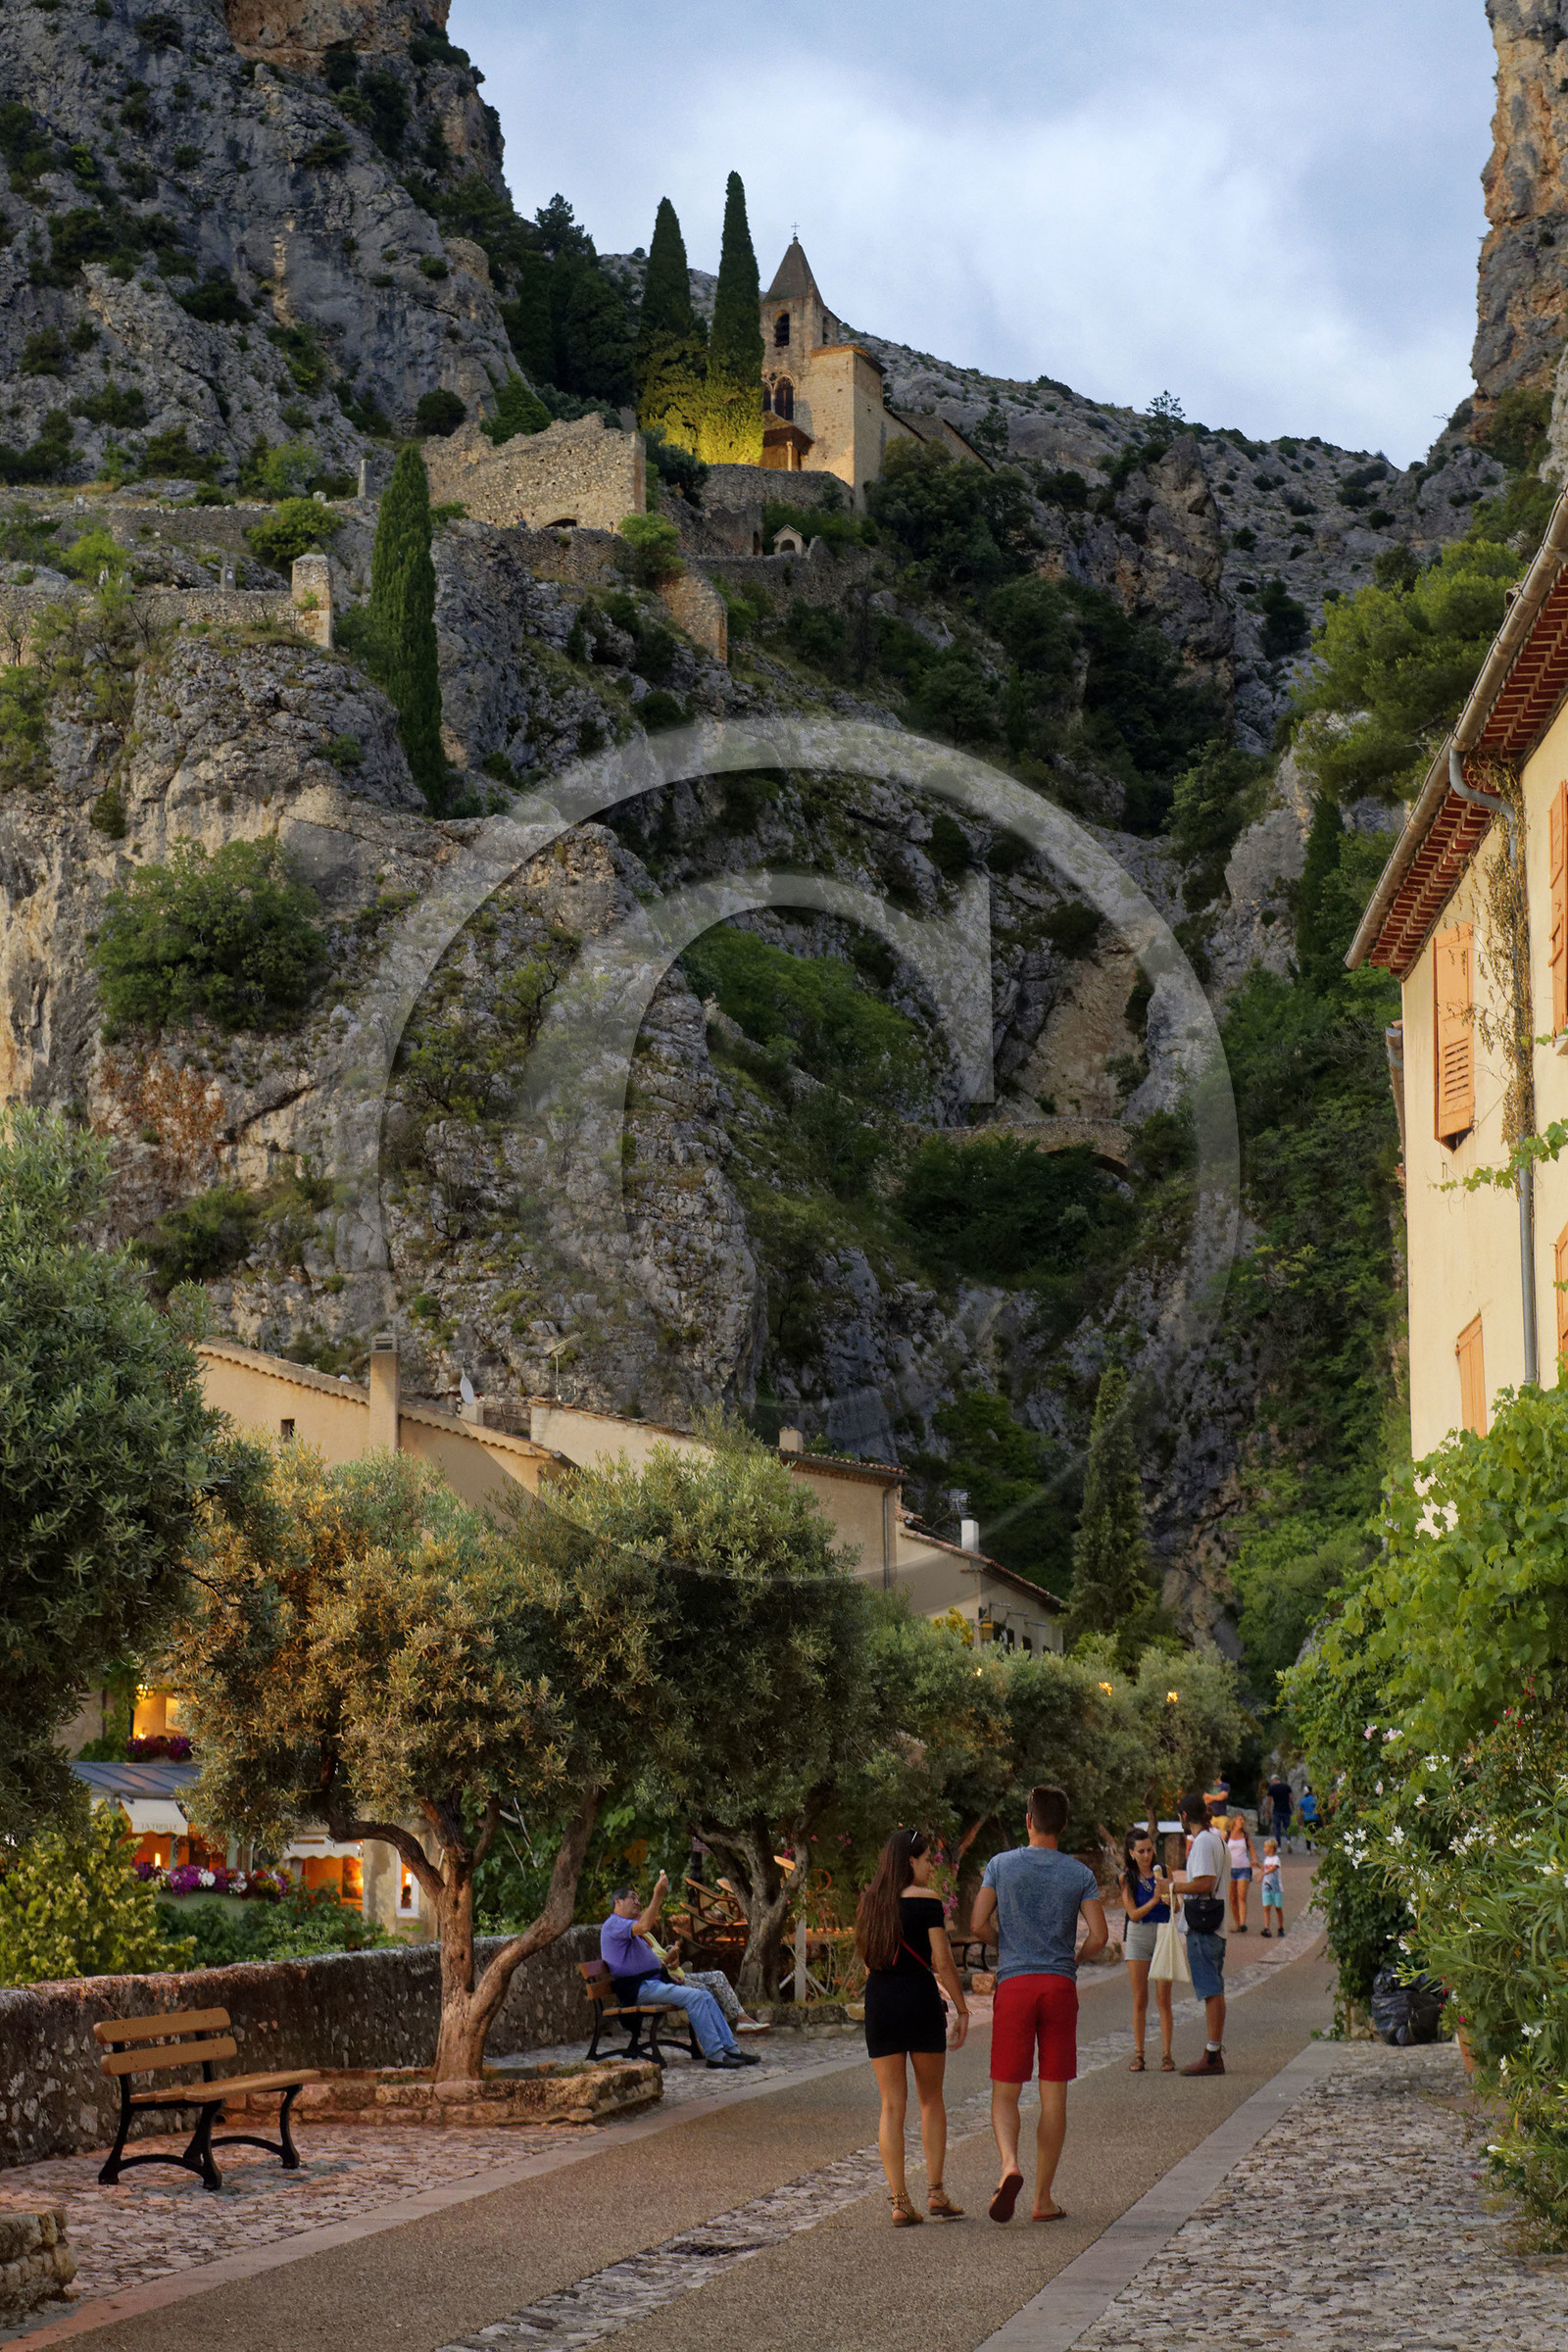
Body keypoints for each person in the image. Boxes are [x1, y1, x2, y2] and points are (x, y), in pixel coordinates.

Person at [969, 1785, 1107, 2224]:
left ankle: (1009, 2164)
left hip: (1015, 1984)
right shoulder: (1079, 1874)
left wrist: (1005, 1944)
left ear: (1028, 1820)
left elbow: (976, 1923)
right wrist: (1077, 1957)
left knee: (1006, 2090)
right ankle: (1043, 2199)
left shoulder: (1000, 1866)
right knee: (1053, 2094)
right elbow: (1100, 1936)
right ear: (1063, 1825)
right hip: (1058, 1985)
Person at [855, 1828, 968, 2227]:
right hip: (919, 2001)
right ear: (910, 1862)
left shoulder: (870, 1903)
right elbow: (943, 1960)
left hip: (881, 2002)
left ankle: (899, 2201)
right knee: (931, 2099)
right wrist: (962, 2008)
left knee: (890, 2105)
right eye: (926, 1861)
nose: (929, 1869)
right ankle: (935, 2192)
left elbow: (868, 1961)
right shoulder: (927, 1902)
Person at [601, 1875, 760, 2070]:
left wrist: (666, 1973)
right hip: (637, 1988)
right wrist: (658, 1895)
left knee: (706, 1995)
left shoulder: (624, 1927)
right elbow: (644, 1926)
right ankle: (715, 2054)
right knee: (695, 1997)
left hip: (652, 1982)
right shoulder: (614, 1924)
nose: (637, 1901)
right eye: (632, 1897)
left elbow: (643, 1962)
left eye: (638, 1898)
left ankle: (730, 2049)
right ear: (618, 1902)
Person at [1172, 1788, 1230, 2074]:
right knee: (1212, 1988)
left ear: (1184, 1816)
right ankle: (1213, 2050)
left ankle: (1212, 2053)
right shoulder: (1213, 1840)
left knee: (1211, 1989)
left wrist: (1173, 1887)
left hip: (1204, 1925)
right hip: (1212, 1924)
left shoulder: (1204, 1842)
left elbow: (1205, 1882)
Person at [1120, 1826, 1173, 2073]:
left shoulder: (1164, 1872)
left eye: (1149, 1850)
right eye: (1141, 1851)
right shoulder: (1127, 1878)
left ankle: (1167, 2053)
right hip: (1139, 1935)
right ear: (1131, 1853)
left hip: (1163, 1933)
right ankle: (1139, 2053)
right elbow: (1132, 1913)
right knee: (1140, 1998)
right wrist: (1154, 1900)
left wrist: (1171, 1898)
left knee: (1164, 1998)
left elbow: (1176, 1906)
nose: (1146, 1855)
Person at [1226, 1814, 1259, 1933]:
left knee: (1241, 1896)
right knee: (1233, 1898)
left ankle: (1243, 1923)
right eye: (1240, 1819)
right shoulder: (1228, 1835)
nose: (1242, 1821)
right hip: (1230, 1869)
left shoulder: (1245, 1836)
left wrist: (1254, 1860)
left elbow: (1252, 1849)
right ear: (1234, 1821)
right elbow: (1221, 1848)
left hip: (1244, 1868)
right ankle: (1237, 1924)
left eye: (1243, 1819)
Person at [1259, 1838, 1285, 1937]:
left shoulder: (1276, 1859)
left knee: (1278, 1908)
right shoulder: (1266, 1860)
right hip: (1266, 1887)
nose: (1264, 1849)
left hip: (1276, 1888)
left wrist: (1263, 1874)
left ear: (1271, 1848)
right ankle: (1267, 1928)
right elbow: (1265, 1869)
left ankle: (1280, 1927)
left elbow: (1273, 1868)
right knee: (1266, 1907)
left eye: (1265, 1847)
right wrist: (1258, 1865)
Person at [1266, 1772, 1295, 1852]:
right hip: (1286, 1809)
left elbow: (1268, 1800)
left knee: (1277, 1829)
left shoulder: (1272, 1788)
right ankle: (1288, 1841)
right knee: (1287, 1828)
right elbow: (1291, 1798)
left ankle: (1279, 1847)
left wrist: (1267, 1811)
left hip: (1277, 1810)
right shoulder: (1286, 1786)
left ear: (1273, 1780)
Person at [1298, 1784, 1318, 1851]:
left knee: (1308, 1834)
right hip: (1315, 1818)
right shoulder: (1314, 1799)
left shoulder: (1302, 1800)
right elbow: (1318, 1808)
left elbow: (1300, 1811)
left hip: (1306, 1819)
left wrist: (1299, 1821)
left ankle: (1308, 1849)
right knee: (1315, 1832)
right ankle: (1316, 1846)